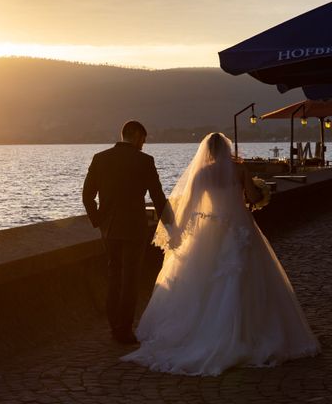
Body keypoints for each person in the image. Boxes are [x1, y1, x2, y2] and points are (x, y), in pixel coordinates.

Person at [121, 132, 320, 375]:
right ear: (226, 149)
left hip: (210, 231)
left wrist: (177, 233)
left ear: (207, 151)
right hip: (240, 229)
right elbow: (253, 197)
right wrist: (260, 191)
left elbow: (188, 207)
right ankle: (249, 333)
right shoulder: (240, 170)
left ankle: (208, 332)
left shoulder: (201, 174)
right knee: (248, 279)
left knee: (206, 282)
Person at [82, 120, 167, 344]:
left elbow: (87, 195)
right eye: (143, 140)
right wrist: (170, 223)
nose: (143, 145)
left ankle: (114, 326)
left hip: (109, 230)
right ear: (137, 135)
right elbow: (158, 197)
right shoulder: (145, 161)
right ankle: (124, 329)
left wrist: (98, 220)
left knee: (113, 277)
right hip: (134, 229)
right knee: (130, 279)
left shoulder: (100, 158)